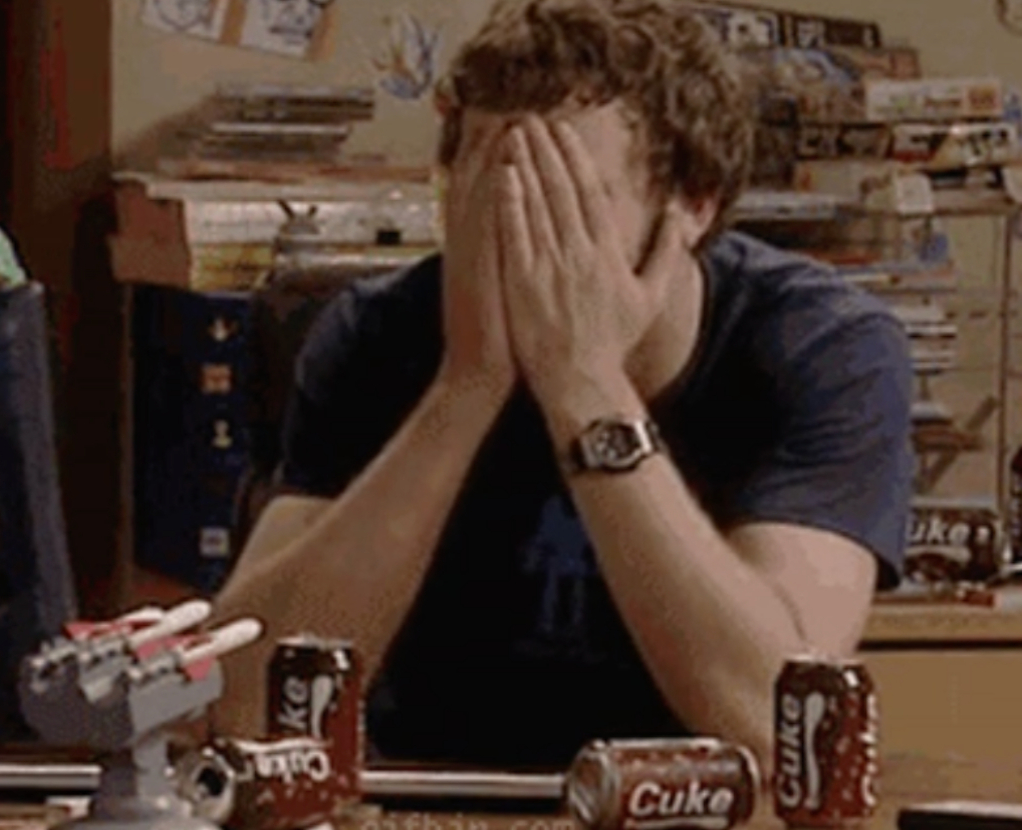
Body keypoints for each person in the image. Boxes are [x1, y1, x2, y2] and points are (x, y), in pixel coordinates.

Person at [211, 0, 913, 771]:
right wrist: (464, 389)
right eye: (489, 191)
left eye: (566, 199)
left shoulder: (822, 345)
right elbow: (245, 707)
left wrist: (586, 386)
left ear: (693, 201)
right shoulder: (374, 334)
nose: (517, 234)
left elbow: (777, 725)